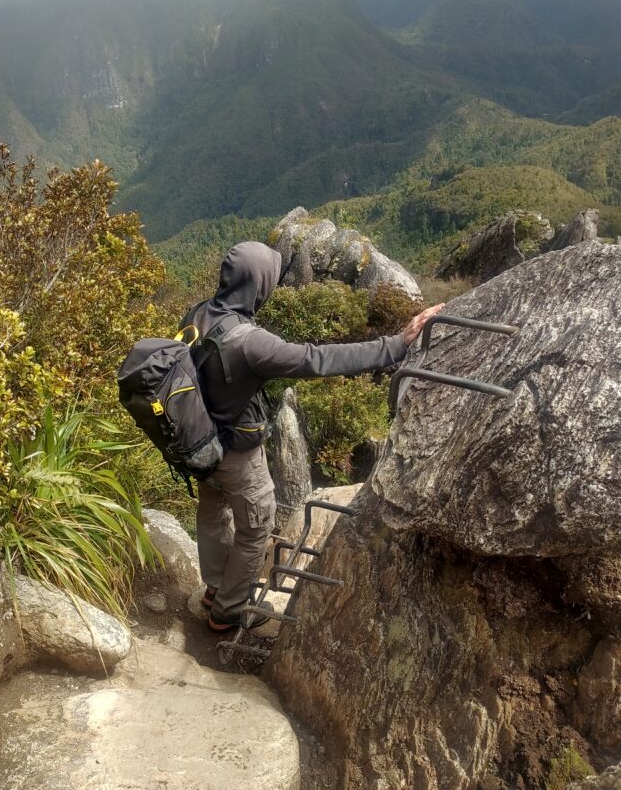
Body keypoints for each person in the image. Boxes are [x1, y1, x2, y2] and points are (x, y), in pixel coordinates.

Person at [181, 241, 444, 631]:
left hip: (199, 445)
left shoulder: (199, 312)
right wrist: (397, 344)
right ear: (258, 285)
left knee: (214, 513)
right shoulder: (251, 343)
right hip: (236, 454)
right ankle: (227, 613)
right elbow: (317, 359)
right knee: (254, 528)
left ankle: (215, 589)